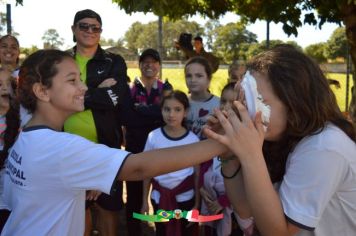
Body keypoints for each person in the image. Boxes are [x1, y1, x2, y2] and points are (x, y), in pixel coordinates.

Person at [2, 49, 229, 236]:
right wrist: (223, 143)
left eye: (80, 79)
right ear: (42, 91)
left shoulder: (25, 137)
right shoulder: (59, 148)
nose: (83, 87)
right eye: (72, 80)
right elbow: (139, 167)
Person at [204, 45, 356, 236]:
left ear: (294, 102)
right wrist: (229, 156)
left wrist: (250, 155)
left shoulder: (324, 146)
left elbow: (277, 232)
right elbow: (245, 210)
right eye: (245, 100)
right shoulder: (282, 138)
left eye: (258, 101)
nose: (246, 110)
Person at [63, 9, 130, 236]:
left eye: (95, 27)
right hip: (67, 149)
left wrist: (75, 97)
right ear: (73, 29)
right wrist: (98, 92)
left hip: (105, 148)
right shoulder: (62, 61)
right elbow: (54, 96)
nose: (90, 31)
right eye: (84, 26)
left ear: (100, 32)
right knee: (77, 208)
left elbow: (117, 96)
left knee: (107, 207)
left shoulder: (114, 61)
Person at [124, 48, 172, 236]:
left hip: (160, 151)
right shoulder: (130, 90)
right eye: (145, 62)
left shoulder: (166, 89)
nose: (149, 65)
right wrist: (153, 113)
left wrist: (141, 111)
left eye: (153, 62)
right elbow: (128, 117)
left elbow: (166, 115)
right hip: (135, 152)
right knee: (134, 199)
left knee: (160, 196)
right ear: (139, 65)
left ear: (159, 66)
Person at [141, 90, 200, 236]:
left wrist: (197, 204)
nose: (171, 114)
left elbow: (197, 175)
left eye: (177, 109)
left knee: (186, 232)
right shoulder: (153, 137)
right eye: (167, 109)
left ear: (185, 112)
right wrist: (144, 202)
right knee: (162, 232)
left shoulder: (192, 140)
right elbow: (147, 171)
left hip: (185, 199)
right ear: (161, 110)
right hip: (159, 198)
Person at [199, 82, 238, 236]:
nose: (226, 107)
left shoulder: (245, 140)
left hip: (233, 210)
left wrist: (222, 202)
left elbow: (245, 181)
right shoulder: (212, 131)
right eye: (223, 101)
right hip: (209, 201)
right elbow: (204, 164)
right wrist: (202, 189)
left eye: (233, 103)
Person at [0, 68, 20, 233]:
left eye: (9, 84)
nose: (5, 88)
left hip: (14, 199)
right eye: (0, 84)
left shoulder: (25, 119)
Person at [185, 56, 220, 140]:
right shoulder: (181, 103)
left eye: (199, 76)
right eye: (189, 76)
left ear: (209, 79)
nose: (193, 80)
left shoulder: (219, 104)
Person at [0, 35, 31, 127]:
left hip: (23, 125)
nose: (9, 50)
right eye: (4, 46)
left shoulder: (28, 75)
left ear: (18, 52)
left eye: (13, 47)